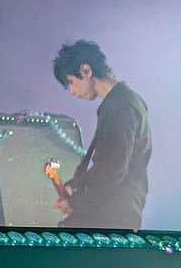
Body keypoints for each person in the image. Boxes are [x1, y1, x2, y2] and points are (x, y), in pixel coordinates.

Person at [51, 40, 151, 229]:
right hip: (117, 212)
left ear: (86, 71)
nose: (71, 92)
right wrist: (77, 185)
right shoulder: (126, 101)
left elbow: (113, 170)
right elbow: (110, 163)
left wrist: (77, 203)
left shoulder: (120, 106)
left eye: (71, 82)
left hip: (112, 215)